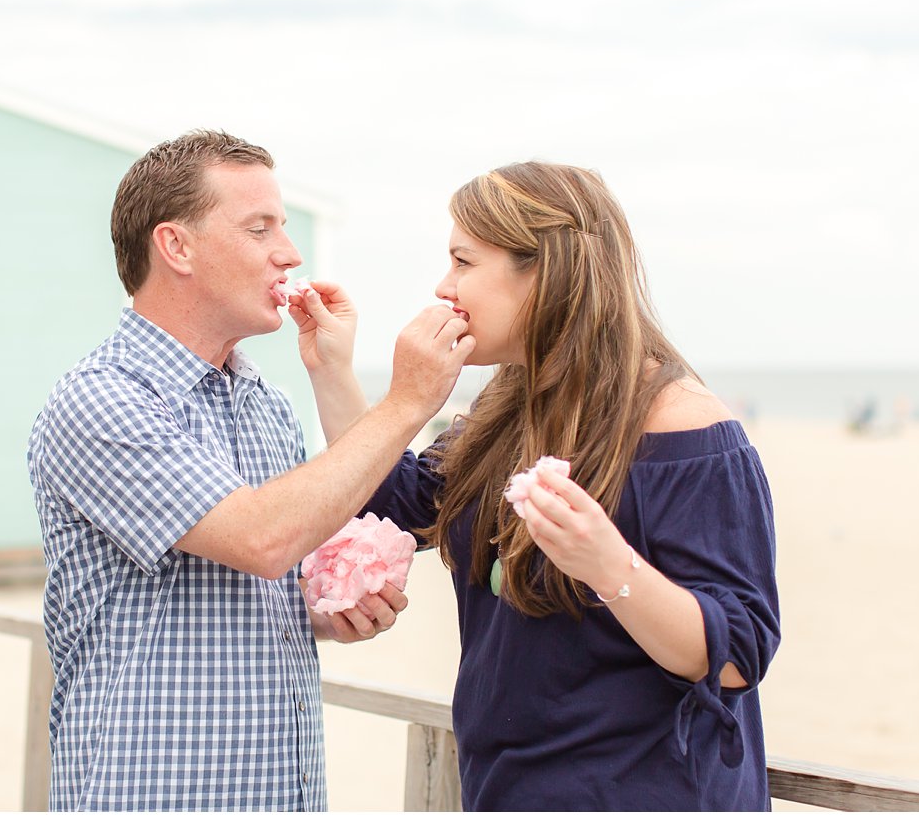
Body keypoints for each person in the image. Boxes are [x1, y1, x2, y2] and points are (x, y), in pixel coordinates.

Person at [300, 162, 780, 811]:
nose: (444, 287)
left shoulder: (687, 431)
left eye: (464, 261)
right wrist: (332, 370)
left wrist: (608, 565)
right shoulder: (505, 413)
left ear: (545, 273)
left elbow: (736, 658)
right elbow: (401, 506)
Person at [25, 129, 473, 811]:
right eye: (259, 228)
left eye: (283, 229)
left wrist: (326, 608)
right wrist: (409, 401)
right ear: (176, 246)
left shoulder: (265, 403)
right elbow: (259, 538)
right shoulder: (101, 400)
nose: (289, 254)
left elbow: (269, 570)